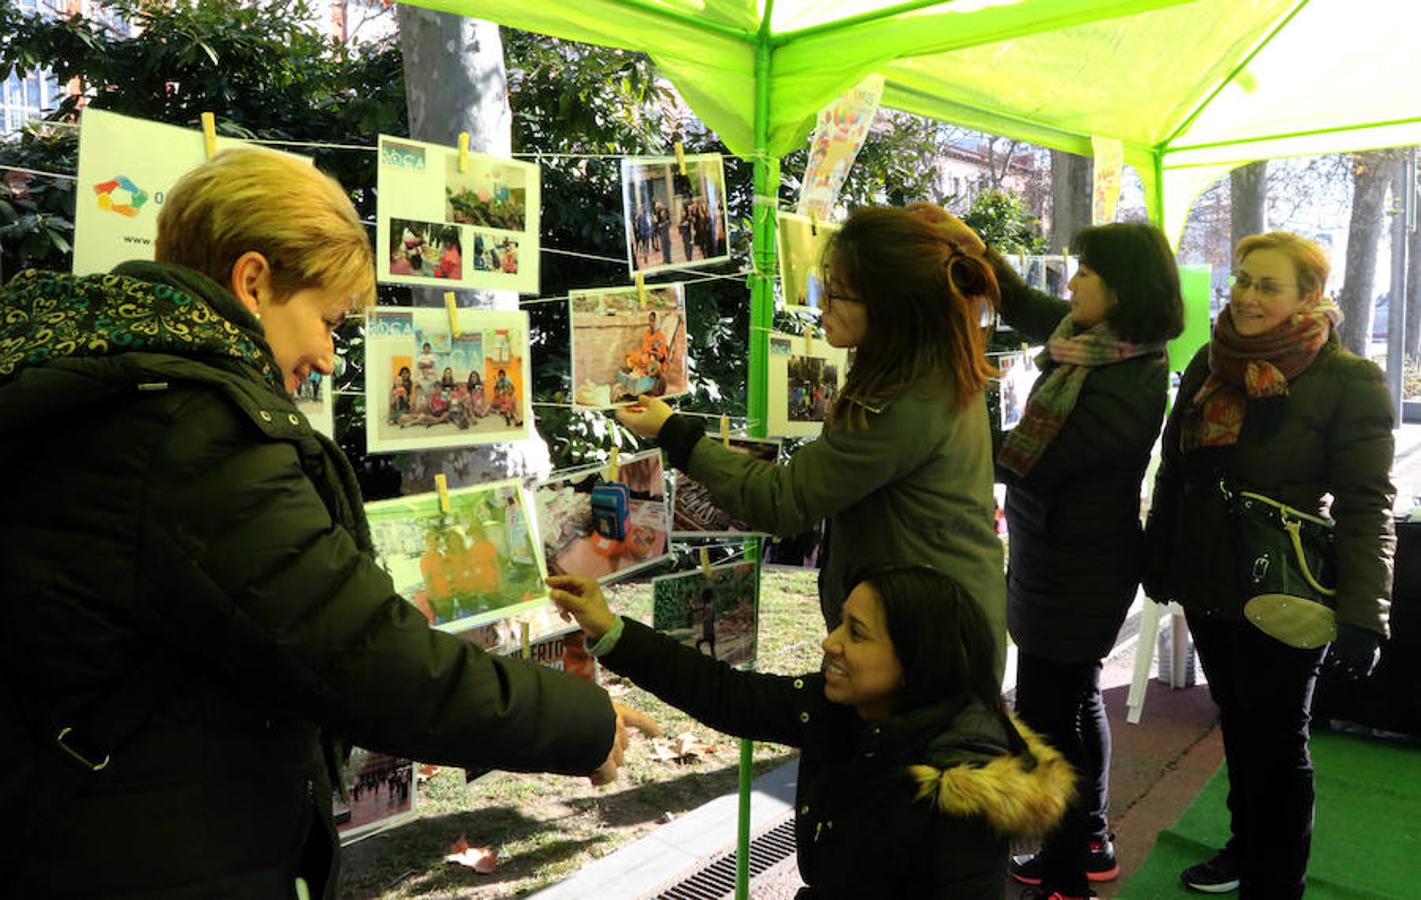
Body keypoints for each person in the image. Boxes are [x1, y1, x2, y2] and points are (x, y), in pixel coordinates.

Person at [0, 147, 653, 898]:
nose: (325, 354)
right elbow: (363, 658)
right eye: (326, 319)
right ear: (252, 282)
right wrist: (584, 723)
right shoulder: (191, 433)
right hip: (150, 852)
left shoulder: (83, 377)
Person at [618, 206, 1009, 661]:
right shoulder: (926, 365)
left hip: (924, 645)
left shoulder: (907, 399)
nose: (820, 305)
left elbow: (784, 502)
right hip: (928, 623)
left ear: (889, 307)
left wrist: (675, 433)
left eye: (836, 294)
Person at [548, 566, 1075, 899]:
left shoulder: (959, 786)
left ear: (917, 661)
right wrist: (607, 628)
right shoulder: (847, 708)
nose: (830, 642)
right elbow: (726, 694)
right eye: (840, 622)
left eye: (857, 633)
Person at [937, 213, 1184, 900]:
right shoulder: (1092, 340)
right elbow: (1018, 301)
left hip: (1080, 570)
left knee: (1050, 718)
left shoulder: (1126, 379)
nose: (1070, 283)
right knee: (1075, 700)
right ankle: (1090, 835)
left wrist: (946, 386)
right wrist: (968, 246)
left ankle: (1066, 871)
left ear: (1122, 289)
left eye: (1085, 273)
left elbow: (1025, 461)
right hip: (1057, 560)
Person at [1144, 231, 1394, 898]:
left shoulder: (1346, 378)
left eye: (1268, 286)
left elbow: (1367, 503)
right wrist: (1158, 552)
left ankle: (1274, 880)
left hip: (1288, 589)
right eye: (1243, 280)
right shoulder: (1208, 359)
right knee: (1237, 721)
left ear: (1308, 297)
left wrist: (1363, 613)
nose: (1247, 297)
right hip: (1205, 580)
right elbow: (1175, 469)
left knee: (1278, 741)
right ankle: (1242, 845)